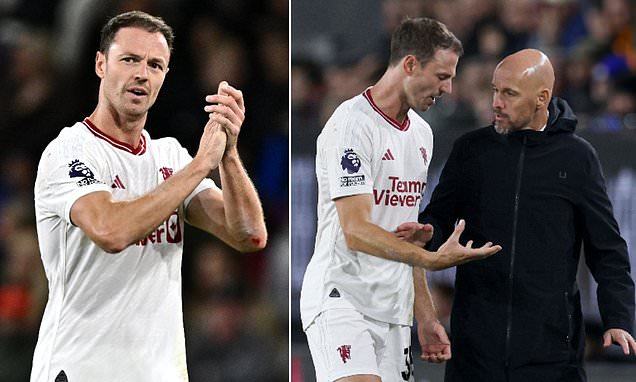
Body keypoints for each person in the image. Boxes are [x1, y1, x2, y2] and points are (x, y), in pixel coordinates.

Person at [31, 11, 267, 382]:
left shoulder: (169, 156)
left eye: (156, 65)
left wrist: (229, 156)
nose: (142, 73)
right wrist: (199, 165)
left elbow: (249, 234)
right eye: (129, 60)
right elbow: (111, 231)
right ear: (100, 64)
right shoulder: (70, 151)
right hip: (81, 369)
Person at [401, 49, 636, 381]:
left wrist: (618, 318)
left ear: (542, 98)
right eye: (495, 90)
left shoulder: (577, 158)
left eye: (508, 93)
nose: (496, 102)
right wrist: (428, 233)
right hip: (475, 352)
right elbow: (439, 217)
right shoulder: (471, 150)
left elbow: (607, 249)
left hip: (552, 356)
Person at [299, 17, 502, 382]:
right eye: (442, 76)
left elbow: (405, 235)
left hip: (393, 311)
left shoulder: (422, 135)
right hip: (341, 297)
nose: (449, 89)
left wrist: (425, 316)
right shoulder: (352, 126)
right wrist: (433, 259)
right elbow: (357, 231)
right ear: (410, 64)